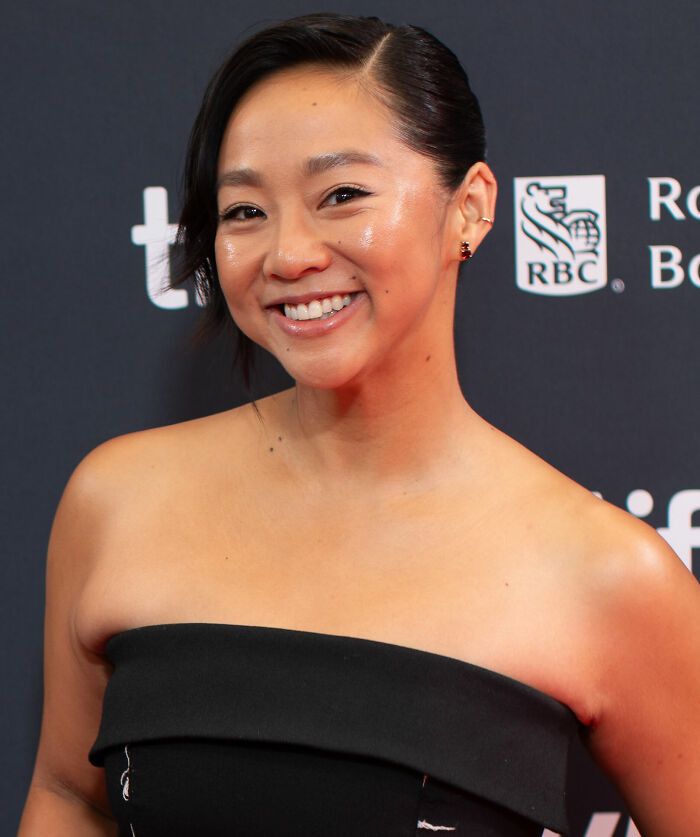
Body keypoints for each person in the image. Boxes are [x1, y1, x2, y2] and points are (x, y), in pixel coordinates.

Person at [19, 13, 700, 837]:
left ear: (471, 209)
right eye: (243, 212)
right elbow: (66, 795)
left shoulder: (608, 576)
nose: (289, 253)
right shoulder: (117, 500)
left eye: (341, 195)